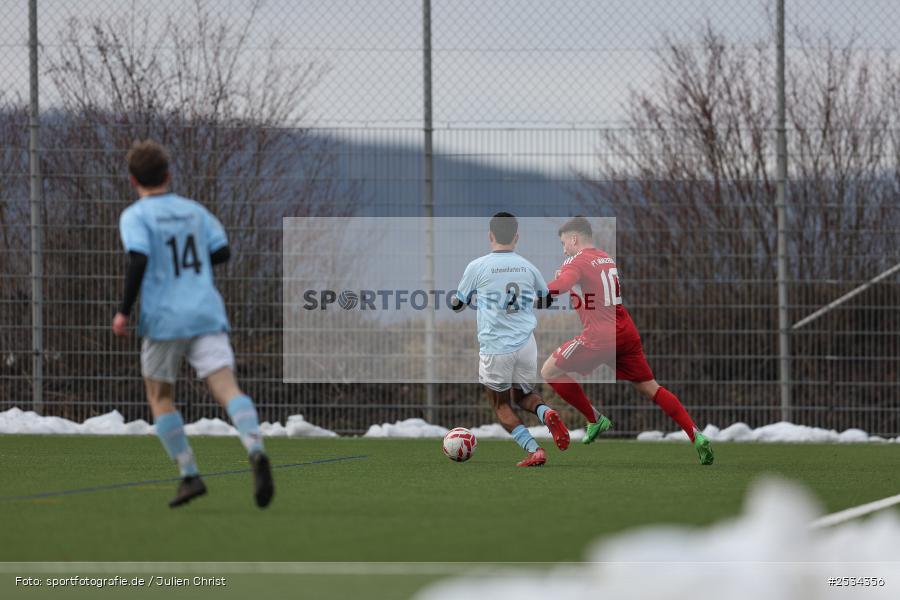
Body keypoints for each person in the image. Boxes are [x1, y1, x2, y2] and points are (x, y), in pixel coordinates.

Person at [112, 139, 275, 507]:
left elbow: (138, 260)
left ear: (133, 179)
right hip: (205, 311)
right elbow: (222, 251)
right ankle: (255, 447)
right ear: (169, 175)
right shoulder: (194, 212)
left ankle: (189, 474)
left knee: (160, 396)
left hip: (164, 319)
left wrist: (123, 310)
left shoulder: (136, 216)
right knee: (226, 387)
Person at [540, 216, 714, 465]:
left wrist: (542, 292)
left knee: (549, 370)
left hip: (599, 337)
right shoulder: (605, 258)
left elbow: (565, 281)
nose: (563, 249)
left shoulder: (575, 260)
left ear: (574, 238)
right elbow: (580, 288)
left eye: (564, 243)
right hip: (625, 332)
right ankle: (695, 435)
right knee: (651, 388)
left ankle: (595, 418)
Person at [452, 212, 570, 467]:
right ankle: (546, 412)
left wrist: (466, 299)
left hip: (496, 347)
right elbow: (548, 298)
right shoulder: (528, 267)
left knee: (501, 405)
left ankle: (534, 450)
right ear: (516, 237)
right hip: (526, 344)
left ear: (490, 236)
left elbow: (457, 304)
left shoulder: (477, 266)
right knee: (523, 396)